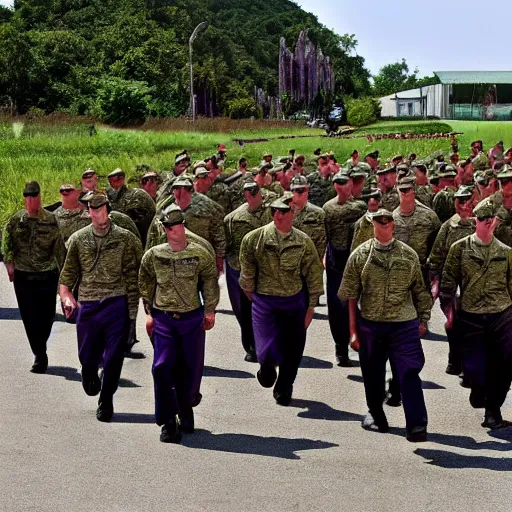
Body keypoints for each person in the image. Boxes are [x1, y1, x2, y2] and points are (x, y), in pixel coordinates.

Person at [339, 208, 432, 442]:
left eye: (388, 221)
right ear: (373, 226)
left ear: (393, 225)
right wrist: (352, 332)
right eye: (379, 222)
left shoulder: (408, 255)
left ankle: (417, 425)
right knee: (372, 375)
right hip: (371, 324)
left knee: (410, 372)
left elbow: (420, 290)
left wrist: (423, 319)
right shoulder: (360, 255)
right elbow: (350, 295)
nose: (383, 225)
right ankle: (376, 414)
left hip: (403, 324)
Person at [58, 194, 143, 422]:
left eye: (101, 208)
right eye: (93, 209)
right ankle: (89, 372)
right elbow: (67, 276)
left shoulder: (127, 239)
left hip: (117, 301)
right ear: (88, 212)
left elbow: (138, 275)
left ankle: (106, 400)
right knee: (87, 356)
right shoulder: (78, 239)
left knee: (115, 356)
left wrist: (136, 311)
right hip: (88, 303)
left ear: (108, 209)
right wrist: (66, 297)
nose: (97, 213)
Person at [139, 204, 219, 443]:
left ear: (183, 226)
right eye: (170, 227)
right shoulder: (154, 255)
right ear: (164, 229)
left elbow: (210, 283)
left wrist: (210, 311)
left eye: (178, 226)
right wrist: (148, 314)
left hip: (191, 318)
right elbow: (145, 284)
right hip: (164, 317)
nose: (175, 230)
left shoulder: (199, 253)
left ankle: (185, 405)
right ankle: (168, 421)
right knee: (161, 367)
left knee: (191, 369)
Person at [239, 198, 324, 406]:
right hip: (265, 301)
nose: (278, 215)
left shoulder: (303, 241)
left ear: (293, 213)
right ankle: (266, 370)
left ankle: (285, 386)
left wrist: (312, 305)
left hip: (294, 300)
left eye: (284, 211)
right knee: (265, 350)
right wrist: (251, 292)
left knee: (293, 348)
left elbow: (314, 273)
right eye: (275, 211)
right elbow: (247, 270)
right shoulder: (255, 238)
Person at [441, 198, 512, 429]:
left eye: (491, 219)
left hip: (501, 314)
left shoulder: (506, 252)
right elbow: (448, 284)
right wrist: (449, 313)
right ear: (475, 222)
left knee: (504, 364)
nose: (487, 223)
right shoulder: (459, 248)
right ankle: (479, 390)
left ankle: (493, 411)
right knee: (473, 367)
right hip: (471, 315)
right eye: (483, 219)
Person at [2, 181, 66, 373]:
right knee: (30, 318)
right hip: (23, 276)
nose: (31, 200)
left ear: (39, 197)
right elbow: (6, 243)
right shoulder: (16, 220)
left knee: (47, 318)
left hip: (47, 275)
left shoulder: (51, 220)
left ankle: (40, 346)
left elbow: (60, 249)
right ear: (24, 199)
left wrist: (65, 278)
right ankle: (40, 354)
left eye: (34, 196)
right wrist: (9, 263)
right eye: (27, 197)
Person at [429, 185, 475, 376]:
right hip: (451, 286)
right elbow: (436, 257)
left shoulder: (480, 223)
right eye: (460, 201)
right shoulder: (448, 226)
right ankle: (455, 358)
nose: (464, 205)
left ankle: (465, 365)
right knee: (453, 324)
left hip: (475, 285)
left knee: (470, 326)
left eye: (468, 200)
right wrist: (435, 282)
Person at [224, 182, 273, 362]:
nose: (253, 197)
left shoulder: (272, 212)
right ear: (245, 195)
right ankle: (251, 347)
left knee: (268, 310)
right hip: (244, 270)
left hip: (268, 269)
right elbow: (228, 246)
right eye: (249, 194)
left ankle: (268, 344)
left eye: (256, 193)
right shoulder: (234, 218)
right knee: (245, 311)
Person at [323, 171, 367, 366]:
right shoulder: (327, 208)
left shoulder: (360, 207)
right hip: (335, 260)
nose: (340, 187)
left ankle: (360, 342)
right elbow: (325, 234)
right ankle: (340, 348)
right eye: (337, 183)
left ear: (351, 184)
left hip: (355, 260)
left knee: (358, 304)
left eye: (344, 183)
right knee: (335, 306)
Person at [146, 175, 226, 275]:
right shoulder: (165, 206)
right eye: (177, 189)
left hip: (201, 258)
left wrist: (220, 257)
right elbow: (154, 233)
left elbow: (218, 230)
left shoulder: (207, 204)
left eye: (184, 188)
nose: (180, 192)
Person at [393, 176, 441, 287]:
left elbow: (438, 244)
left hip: (422, 270)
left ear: (413, 190)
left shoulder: (429, 216)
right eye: (402, 190)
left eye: (408, 190)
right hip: (400, 271)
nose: (405, 193)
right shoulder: (393, 217)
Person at [106, 168, 156, 247]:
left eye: (119, 178)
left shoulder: (137, 196)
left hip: (140, 244)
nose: (116, 180)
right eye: (113, 179)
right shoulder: (107, 199)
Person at [287, 175, 326, 260]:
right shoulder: (284, 212)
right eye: (297, 191)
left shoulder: (318, 213)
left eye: (303, 190)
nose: (301, 194)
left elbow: (322, 241)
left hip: (311, 260)